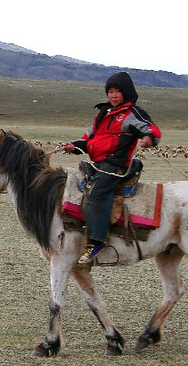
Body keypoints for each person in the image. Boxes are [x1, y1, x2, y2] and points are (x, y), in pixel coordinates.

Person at [62, 71, 161, 264]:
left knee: (95, 194)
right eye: (110, 91)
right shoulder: (102, 114)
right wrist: (73, 146)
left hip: (116, 166)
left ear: (127, 92)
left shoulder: (132, 113)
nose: (113, 95)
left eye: (118, 91)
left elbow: (151, 129)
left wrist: (148, 139)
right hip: (97, 164)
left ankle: (97, 241)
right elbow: (87, 139)